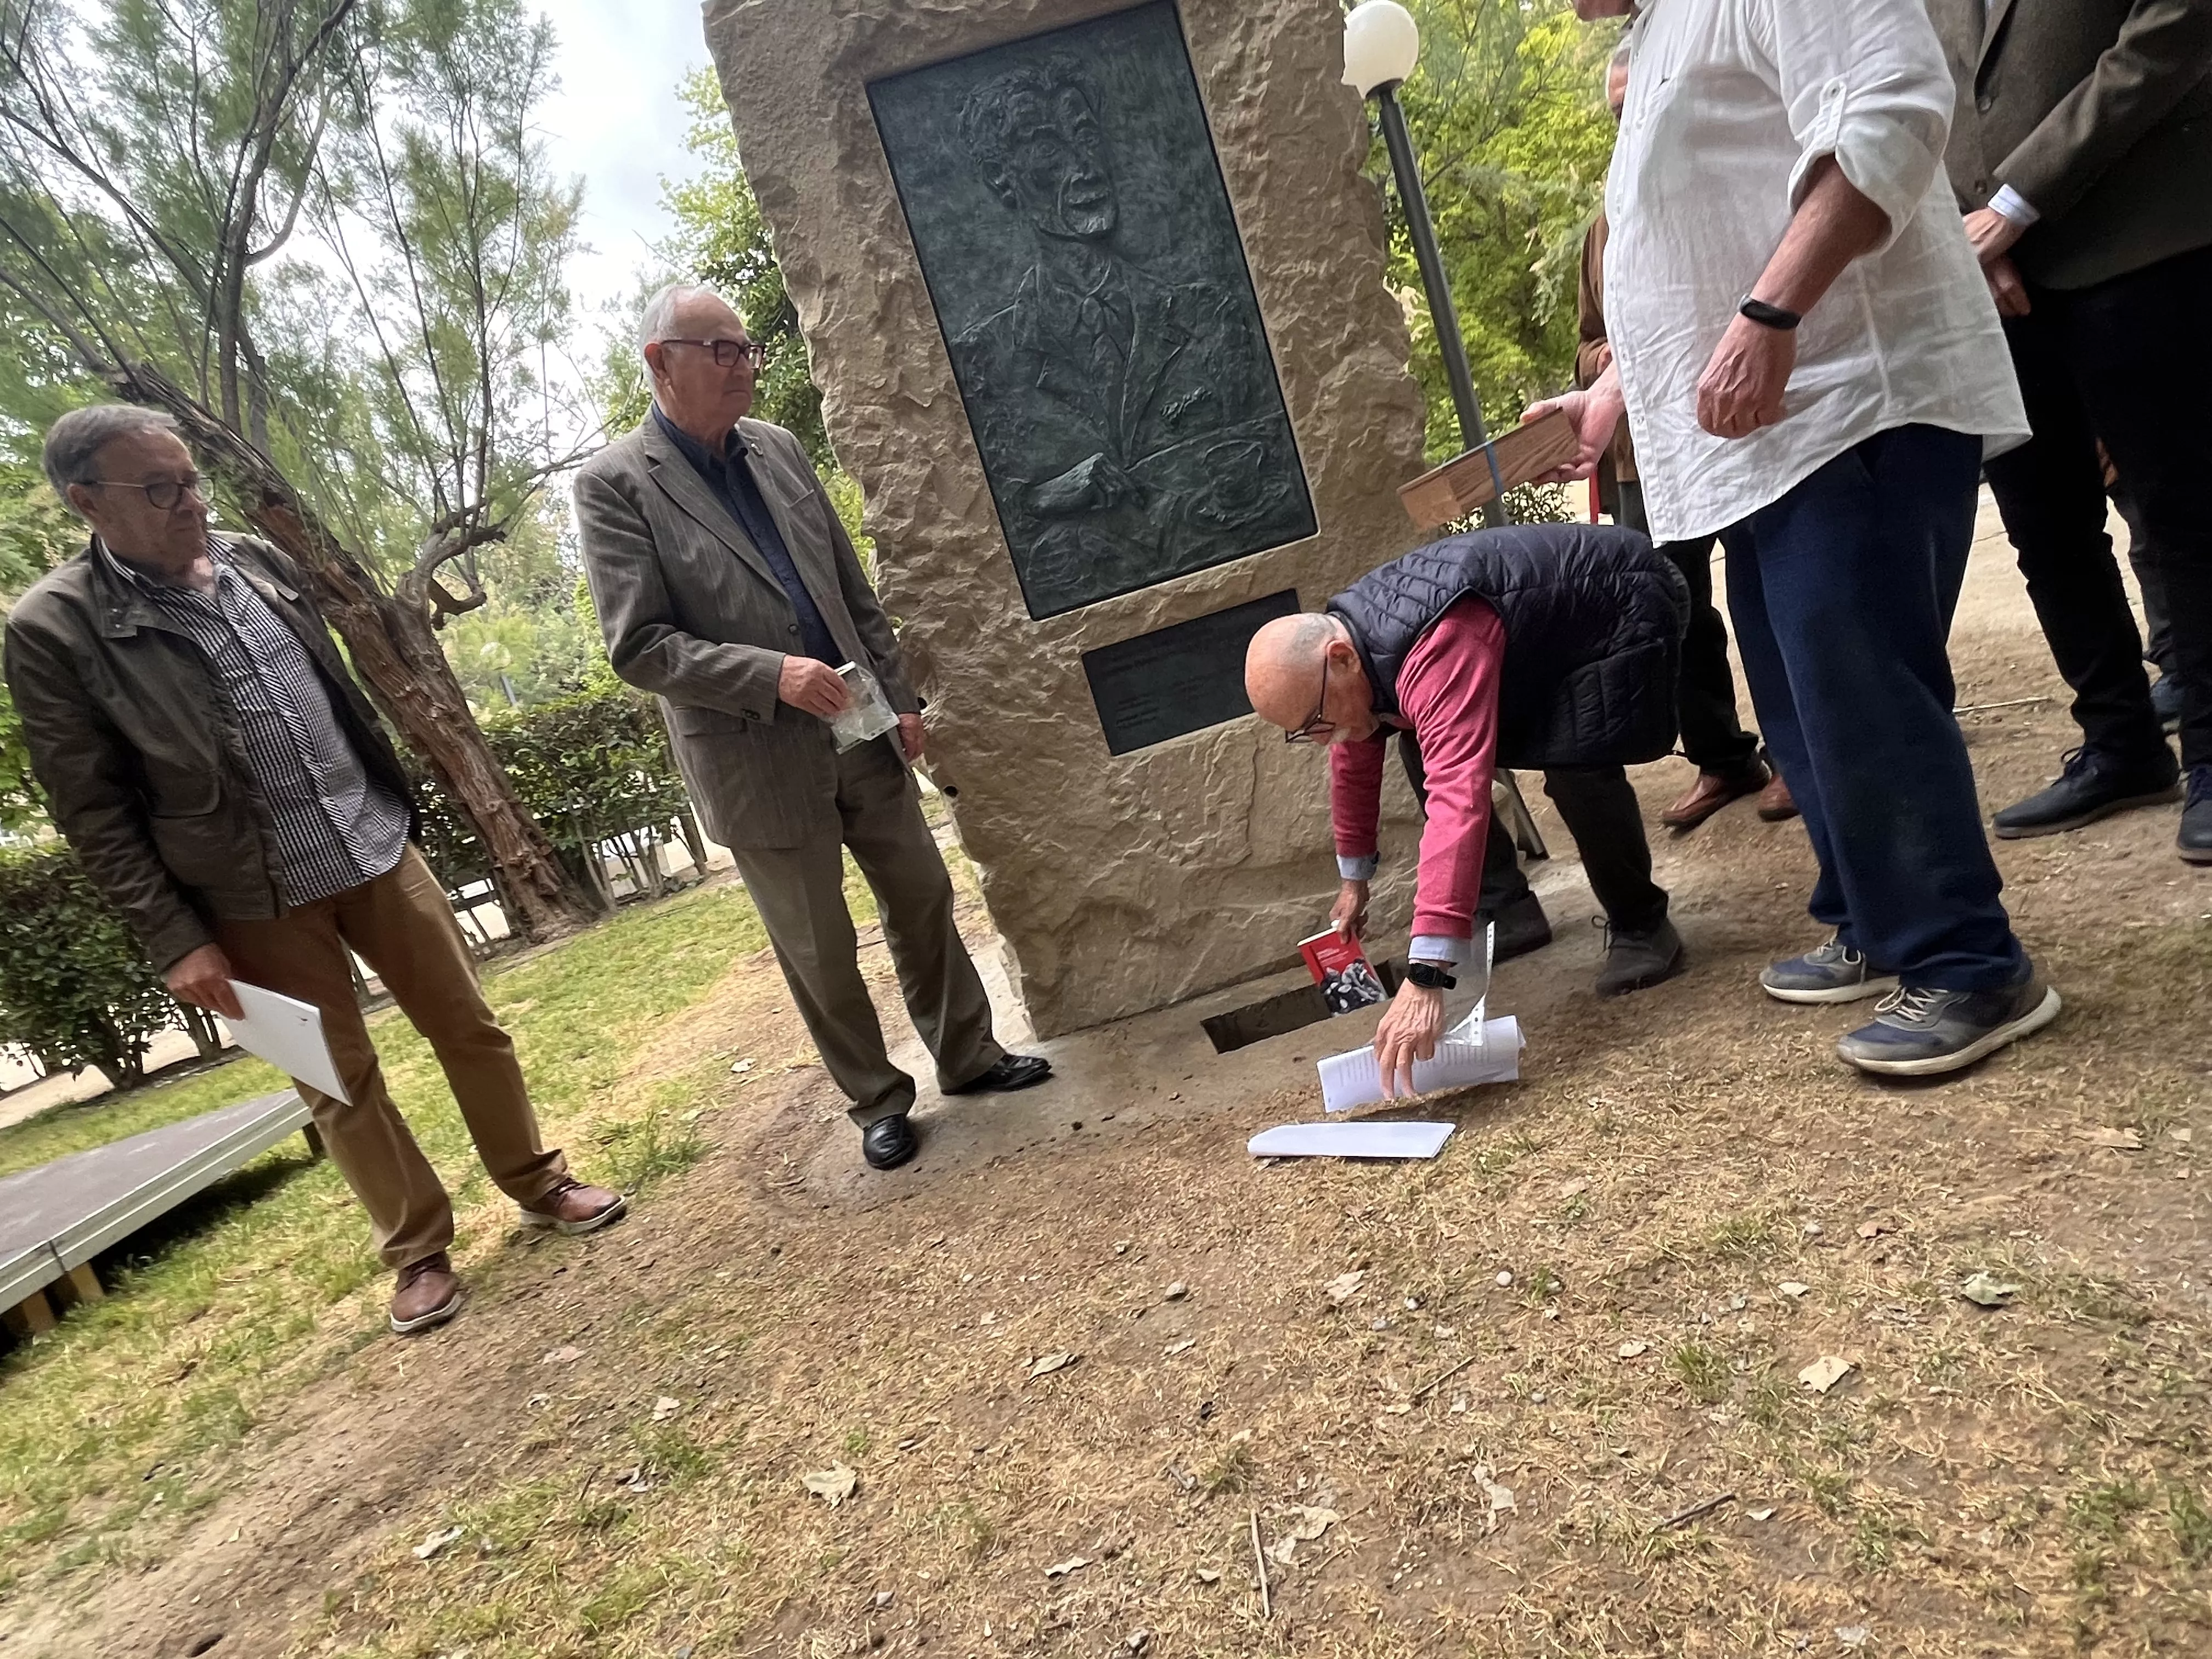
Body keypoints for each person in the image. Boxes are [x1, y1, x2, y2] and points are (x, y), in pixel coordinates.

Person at [2, 405, 625, 1336]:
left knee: (471, 1025)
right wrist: (177, 938)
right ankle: (417, 1249)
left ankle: (539, 1179)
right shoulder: (53, 627)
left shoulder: (257, 559)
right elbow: (91, 810)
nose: (190, 502)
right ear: (88, 502)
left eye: (192, 478)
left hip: (369, 839)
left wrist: (396, 803)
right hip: (245, 894)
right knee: (334, 1079)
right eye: (160, 488)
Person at [1532, 0, 2058, 1076]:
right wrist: (1615, 395)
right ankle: (1875, 918)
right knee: (1798, 702)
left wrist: (1773, 316)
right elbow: (1691, 250)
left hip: (1850, 401)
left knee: (1857, 689)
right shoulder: (1655, 37)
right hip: (1762, 443)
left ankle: (1969, 962)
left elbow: (1892, 109)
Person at [573, 284, 1051, 1173]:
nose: (740, 364)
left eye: (744, 347)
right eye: (716, 350)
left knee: (921, 894)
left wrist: (901, 695)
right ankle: (876, 1097)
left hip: (861, 729)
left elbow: (846, 588)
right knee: (819, 946)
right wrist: (770, 677)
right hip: (754, 761)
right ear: (658, 361)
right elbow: (638, 647)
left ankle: (970, 1053)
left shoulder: (778, 449)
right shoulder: (614, 487)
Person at [1245, 523, 1691, 1092]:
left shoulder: (1435, 642)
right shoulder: (1357, 651)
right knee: (1413, 742)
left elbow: (1461, 795)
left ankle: (1643, 925)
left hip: (1619, 605)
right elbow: (1352, 756)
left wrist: (1428, 975)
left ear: (1340, 659)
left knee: (1579, 764)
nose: (1318, 739)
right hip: (1537, 635)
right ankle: (1508, 911)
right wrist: (1354, 879)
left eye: (1313, 724)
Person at [1928, 0, 2212, 860]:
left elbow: (2175, 26)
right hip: (1994, 274)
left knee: (2184, 512)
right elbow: (1915, 93)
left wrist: (2020, 202)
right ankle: (2121, 740)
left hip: (2142, 243)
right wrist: (1976, 233)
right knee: (2044, 527)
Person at [1575, 41, 1791, 832]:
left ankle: (1798, 756)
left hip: (1737, 428)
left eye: (1640, 105)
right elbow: (1588, 338)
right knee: (1674, 609)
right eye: (1616, 111)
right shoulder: (1605, 225)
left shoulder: (1730, 177)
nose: (1628, 121)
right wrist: (1608, 356)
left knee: (1772, 588)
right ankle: (1723, 758)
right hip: (1647, 457)